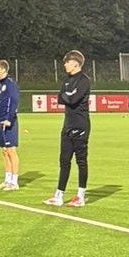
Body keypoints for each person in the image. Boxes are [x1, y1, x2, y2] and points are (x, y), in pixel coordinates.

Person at [45, 51, 90, 207]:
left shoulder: (84, 80)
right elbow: (61, 97)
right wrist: (67, 96)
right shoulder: (66, 80)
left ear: (75, 64)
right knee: (64, 161)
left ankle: (80, 196)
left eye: (67, 62)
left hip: (80, 125)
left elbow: (72, 99)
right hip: (67, 125)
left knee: (81, 161)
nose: (64, 65)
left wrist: (67, 96)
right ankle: (59, 195)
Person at [0, 60, 20, 190]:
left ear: (3, 70)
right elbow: (0, 104)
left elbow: (14, 101)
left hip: (9, 122)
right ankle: (7, 180)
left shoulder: (10, 84)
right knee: (4, 151)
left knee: (11, 151)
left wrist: (9, 119)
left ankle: (14, 182)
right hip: (1, 120)